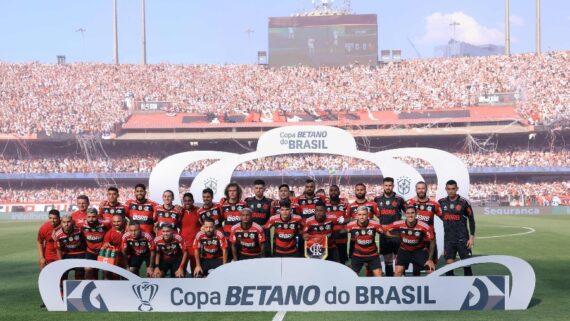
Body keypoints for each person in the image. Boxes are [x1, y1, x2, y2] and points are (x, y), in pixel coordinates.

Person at [437, 180, 476, 276]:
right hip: (449, 240)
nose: (451, 191)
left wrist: (471, 238)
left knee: (466, 265)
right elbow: (436, 213)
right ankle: (451, 288)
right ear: (446, 189)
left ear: (457, 189)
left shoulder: (464, 202)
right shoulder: (441, 202)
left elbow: (471, 219)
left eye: (453, 189)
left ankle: (469, 288)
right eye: (449, 189)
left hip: (463, 239)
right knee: (449, 265)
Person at [385, 206, 436, 277]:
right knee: (397, 272)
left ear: (416, 214)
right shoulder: (398, 224)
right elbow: (386, 230)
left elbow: (432, 240)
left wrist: (430, 259)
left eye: (412, 213)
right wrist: (397, 235)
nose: (410, 215)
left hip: (419, 251)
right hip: (404, 251)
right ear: (405, 214)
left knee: (431, 270)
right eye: (408, 213)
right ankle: (397, 287)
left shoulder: (424, 226)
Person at [406, 181, 441, 275]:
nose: (421, 190)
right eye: (419, 188)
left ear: (426, 189)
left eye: (423, 188)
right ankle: (416, 288)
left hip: (430, 240)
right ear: (416, 190)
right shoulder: (410, 203)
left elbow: (444, 218)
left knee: (430, 268)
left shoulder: (434, 204)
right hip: (416, 240)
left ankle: (432, 288)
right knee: (416, 268)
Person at [374, 177, 405, 276]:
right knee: (387, 259)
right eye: (386, 185)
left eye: (390, 185)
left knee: (399, 258)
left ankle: (401, 279)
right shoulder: (377, 199)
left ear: (393, 186)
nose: (388, 187)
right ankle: (389, 280)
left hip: (396, 234)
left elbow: (409, 213)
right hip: (384, 233)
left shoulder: (399, 199)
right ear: (383, 186)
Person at [346, 206, 384, 276]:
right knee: (351, 276)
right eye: (359, 215)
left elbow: (383, 232)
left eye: (364, 214)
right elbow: (343, 231)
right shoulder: (351, 225)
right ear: (357, 215)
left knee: (379, 276)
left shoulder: (375, 224)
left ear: (368, 215)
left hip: (372, 255)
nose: (362, 217)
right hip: (358, 255)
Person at [245, 179, 273, 257]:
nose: (258, 190)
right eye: (256, 188)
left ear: (264, 189)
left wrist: (264, 226)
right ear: (253, 189)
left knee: (266, 254)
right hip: (252, 231)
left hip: (265, 231)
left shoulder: (270, 202)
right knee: (252, 253)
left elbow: (272, 218)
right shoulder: (248, 201)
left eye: (260, 188)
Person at [53, 214, 86, 280]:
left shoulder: (79, 230)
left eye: (68, 222)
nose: (66, 224)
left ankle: (80, 289)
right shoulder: (57, 234)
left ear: (72, 222)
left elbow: (86, 241)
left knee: (79, 274)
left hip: (80, 253)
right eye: (64, 222)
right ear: (61, 223)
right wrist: (60, 262)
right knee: (63, 273)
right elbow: (58, 249)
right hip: (67, 254)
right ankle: (62, 289)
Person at [81, 208, 111, 279]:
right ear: (86, 217)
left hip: (103, 252)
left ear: (97, 216)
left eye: (93, 217)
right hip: (90, 252)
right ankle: (88, 287)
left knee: (106, 271)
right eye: (89, 217)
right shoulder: (81, 225)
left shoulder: (105, 224)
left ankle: (106, 287)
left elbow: (116, 226)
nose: (91, 219)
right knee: (88, 270)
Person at [325, 185, 349, 264]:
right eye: (331, 190)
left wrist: (342, 220)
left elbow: (349, 219)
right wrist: (338, 220)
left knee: (342, 263)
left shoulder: (344, 205)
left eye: (335, 190)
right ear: (329, 192)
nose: (333, 192)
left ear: (339, 192)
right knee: (329, 263)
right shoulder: (325, 205)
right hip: (328, 239)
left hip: (341, 238)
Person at [179, 192, 201, 274]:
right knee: (181, 269)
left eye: (189, 201)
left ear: (193, 201)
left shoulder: (198, 211)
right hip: (183, 245)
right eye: (185, 201)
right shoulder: (180, 211)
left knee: (195, 269)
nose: (187, 202)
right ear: (183, 201)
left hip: (194, 245)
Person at [102, 214, 127, 279]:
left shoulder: (128, 229)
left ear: (123, 221)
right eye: (114, 222)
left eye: (118, 221)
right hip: (116, 258)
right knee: (116, 278)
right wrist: (106, 245)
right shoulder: (109, 233)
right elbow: (105, 245)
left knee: (128, 278)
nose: (116, 223)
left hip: (128, 257)